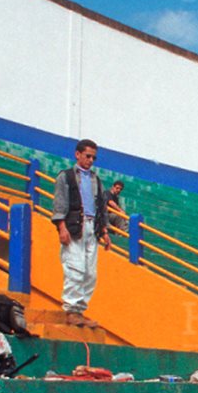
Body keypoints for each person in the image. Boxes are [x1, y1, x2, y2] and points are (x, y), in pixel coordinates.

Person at [51, 139, 110, 327]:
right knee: (75, 268)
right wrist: (61, 227)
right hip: (74, 226)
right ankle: (71, 310)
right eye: (87, 156)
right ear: (77, 154)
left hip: (92, 228)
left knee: (90, 273)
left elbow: (101, 206)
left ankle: (80, 310)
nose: (90, 160)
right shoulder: (66, 177)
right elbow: (59, 203)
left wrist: (105, 231)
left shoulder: (96, 180)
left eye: (93, 157)